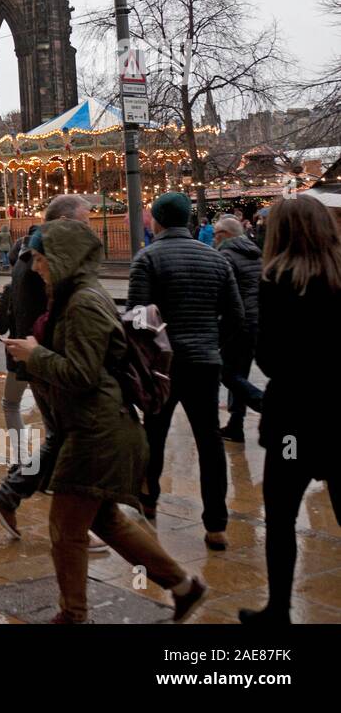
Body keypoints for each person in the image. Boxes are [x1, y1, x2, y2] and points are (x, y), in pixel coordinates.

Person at [3, 220, 208, 623]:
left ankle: (73, 615)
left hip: (98, 432)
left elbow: (82, 374)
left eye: (41, 259)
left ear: (61, 259)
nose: (37, 268)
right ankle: (184, 587)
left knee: (65, 528)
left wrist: (34, 355)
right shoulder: (72, 297)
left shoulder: (83, 303)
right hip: (91, 427)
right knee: (107, 520)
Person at [240, 196, 341, 624]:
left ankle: (278, 609)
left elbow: (268, 358)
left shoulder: (275, 280)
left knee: (280, 514)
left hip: (294, 425)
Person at [0, 197, 103, 553]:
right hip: (47, 361)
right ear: (64, 222)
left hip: (40, 361)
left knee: (62, 439)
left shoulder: (29, 254)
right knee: (69, 441)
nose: (89, 227)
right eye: (83, 221)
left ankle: (13, 495)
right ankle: (77, 525)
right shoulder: (43, 260)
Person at [128, 192, 243, 550]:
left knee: (155, 434)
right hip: (205, 362)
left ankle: (149, 501)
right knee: (209, 441)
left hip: (163, 366)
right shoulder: (217, 259)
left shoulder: (147, 258)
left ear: (158, 222)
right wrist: (212, 343)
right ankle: (216, 525)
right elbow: (236, 317)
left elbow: (137, 318)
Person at [213, 216, 264, 443]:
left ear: (225, 234)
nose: (213, 238)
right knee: (239, 371)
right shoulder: (255, 253)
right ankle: (236, 425)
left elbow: (223, 295)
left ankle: (260, 401)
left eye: (216, 234)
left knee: (224, 371)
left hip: (237, 323)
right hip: (256, 322)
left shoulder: (225, 256)